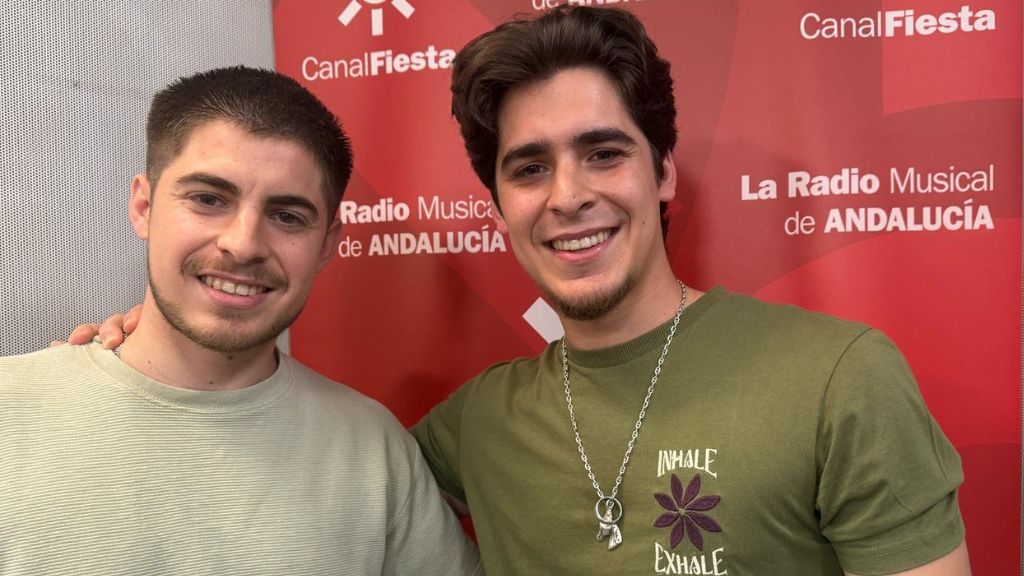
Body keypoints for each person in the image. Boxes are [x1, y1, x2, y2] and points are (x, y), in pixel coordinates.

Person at [67, 7, 971, 576]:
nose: (568, 195)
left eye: (603, 153)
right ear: (500, 204)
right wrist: (162, 348)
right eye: (530, 167)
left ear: (661, 171)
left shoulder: (838, 377)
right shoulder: (475, 426)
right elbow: (294, 451)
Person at [3, 66, 481, 575]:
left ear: (326, 244)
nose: (244, 243)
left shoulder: (373, 450)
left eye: (287, 216)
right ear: (143, 206)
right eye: (208, 199)